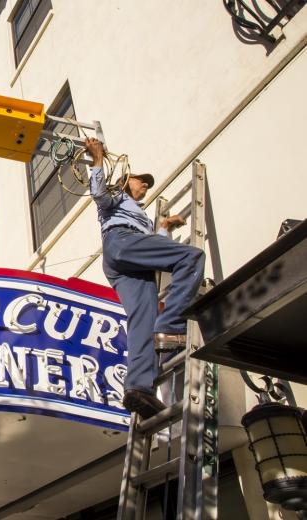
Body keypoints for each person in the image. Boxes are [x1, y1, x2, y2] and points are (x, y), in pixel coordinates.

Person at [85, 137, 205, 419]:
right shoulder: (117, 197)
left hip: (125, 258)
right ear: (126, 180)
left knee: (143, 319)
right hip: (120, 243)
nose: (146, 187)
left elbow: (153, 247)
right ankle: (172, 325)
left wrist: (164, 227)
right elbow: (99, 196)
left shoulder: (142, 216)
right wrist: (98, 159)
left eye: (148, 185)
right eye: (142, 181)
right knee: (192, 256)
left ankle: (139, 388)